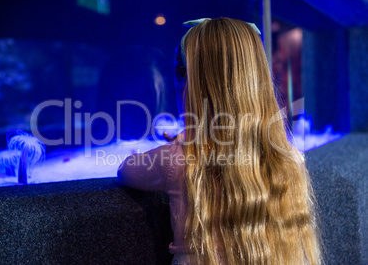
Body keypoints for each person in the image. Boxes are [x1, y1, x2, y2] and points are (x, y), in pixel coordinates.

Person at [118, 17, 322, 265]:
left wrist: (185, 141)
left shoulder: (177, 160)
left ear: (186, 83)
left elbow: (126, 170)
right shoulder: (288, 159)